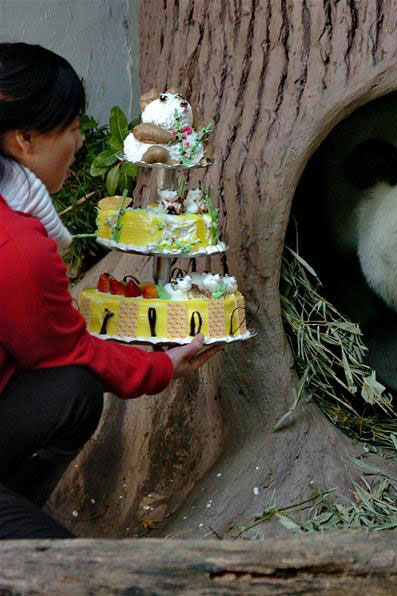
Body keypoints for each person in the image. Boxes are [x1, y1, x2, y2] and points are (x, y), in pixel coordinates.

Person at [0, 42, 224, 539]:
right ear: (25, 139)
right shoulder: (17, 244)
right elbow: (67, 350)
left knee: (72, 394)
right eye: (74, 128)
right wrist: (163, 366)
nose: (80, 143)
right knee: (65, 568)